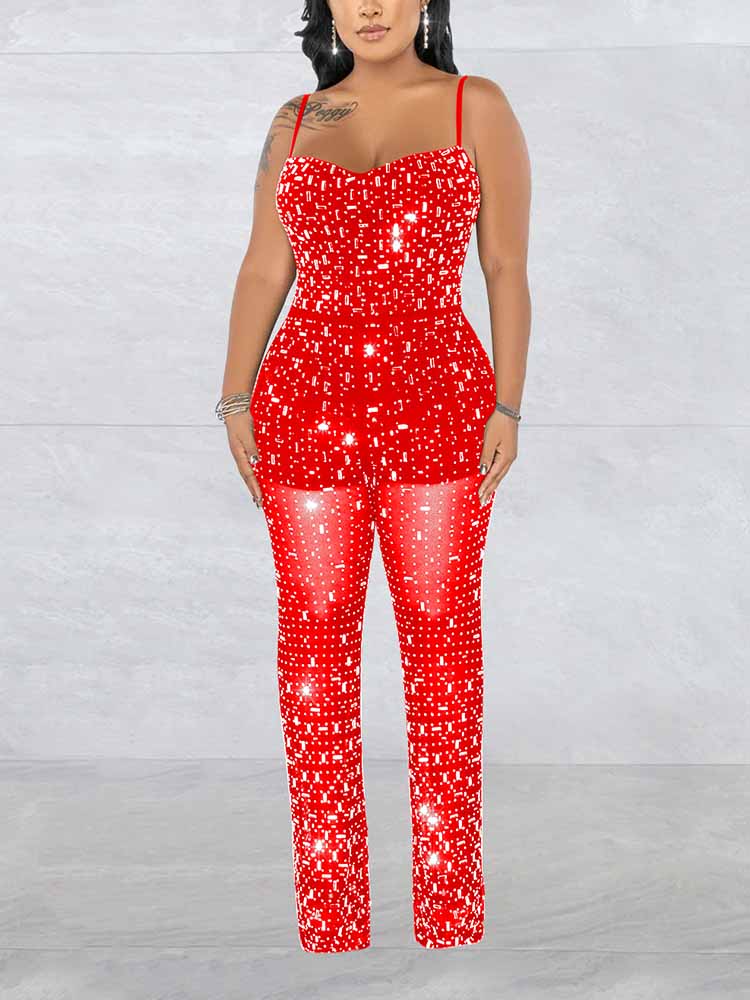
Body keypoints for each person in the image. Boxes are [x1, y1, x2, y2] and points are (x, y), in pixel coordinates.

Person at [216, 0, 531, 953]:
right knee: (314, 654)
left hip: (440, 403)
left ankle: (449, 911)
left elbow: (505, 266)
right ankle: (331, 914)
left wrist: (508, 405)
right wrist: (234, 398)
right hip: (302, 406)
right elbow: (264, 268)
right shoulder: (296, 121)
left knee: (442, 647)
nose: (371, 6)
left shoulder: (477, 105)